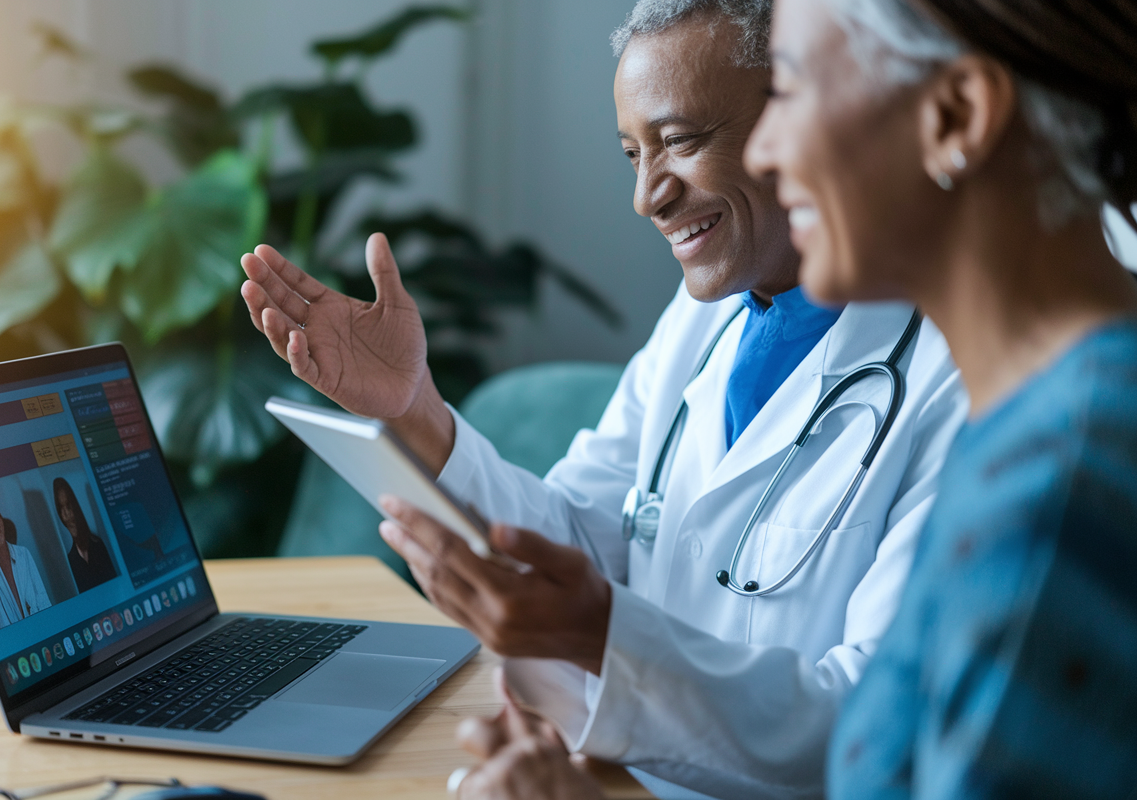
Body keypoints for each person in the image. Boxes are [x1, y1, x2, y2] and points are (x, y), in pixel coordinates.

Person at [242, 1, 969, 796]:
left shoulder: (960, 375)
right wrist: (415, 412)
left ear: (798, 116)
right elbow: (577, 540)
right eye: (631, 154)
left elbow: (874, 723)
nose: (647, 195)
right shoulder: (702, 323)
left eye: (681, 141)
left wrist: (605, 635)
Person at [454, 0, 1137, 796]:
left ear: (955, 117)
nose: (769, 151)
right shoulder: (1030, 427)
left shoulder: (1062, 486)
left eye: (795, 90)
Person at [0, 504, 52, 629]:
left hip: (40, 625)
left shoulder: (24, 553)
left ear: (2, 521)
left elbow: (41, 594)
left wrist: (50, 624)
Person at [53, 477, 117, 593]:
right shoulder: (68, 560)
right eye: (61, 508)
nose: (66, 515)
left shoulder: (98, 544)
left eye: (68, 506)